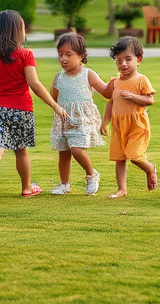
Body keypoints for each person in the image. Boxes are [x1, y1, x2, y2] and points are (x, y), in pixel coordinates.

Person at [0, 10, 68, 205]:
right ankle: (27, 188)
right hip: (22, 109)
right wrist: (55, 106)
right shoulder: (25, 55)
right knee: (21, 150)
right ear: (17, 31)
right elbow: (35, 84)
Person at [49, 33, 112, 196]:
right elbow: (53, 99)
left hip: (81, 119)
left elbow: (105, 92)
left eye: (69, 54)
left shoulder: (88, 74)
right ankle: (64, 184)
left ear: (81, 56)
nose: (63, 59)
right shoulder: (58, 78)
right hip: (64, 120)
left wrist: (114, 84)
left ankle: (92, 174)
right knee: (64, 153)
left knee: (76, 149)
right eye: (60, 54)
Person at [101, 36, 157, 198]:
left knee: (134, 156)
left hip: (137, 125)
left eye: (128, 59)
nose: (123, 64)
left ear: (138, 60)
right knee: (119, 158)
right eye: (119, 61)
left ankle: (150, 169)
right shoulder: (115, 82)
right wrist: (105, 122)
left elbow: (149, 100)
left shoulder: (141, 80)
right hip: (119, 126)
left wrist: (133, 96)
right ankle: (122, 190)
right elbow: (111, 103)